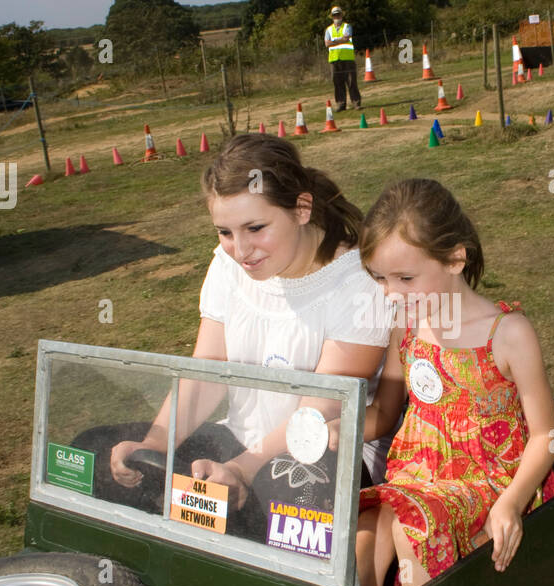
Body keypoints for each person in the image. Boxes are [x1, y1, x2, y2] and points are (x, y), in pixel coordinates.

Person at [100, 135, 390, 534]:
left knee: (289, 500)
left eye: (256, 227)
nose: (240, 250)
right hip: (239, 440)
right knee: (102, 452)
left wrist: (243, 469)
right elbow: (208, 373)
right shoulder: (228, 264)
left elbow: (321, 410)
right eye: (225, 232)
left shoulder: (359, 284)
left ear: (301, 209)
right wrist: (156, 443)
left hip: (325, 453)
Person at [353, 178, 554, 586]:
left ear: (454, 258)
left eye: (405, 278)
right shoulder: (404, 328)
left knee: (415, 528)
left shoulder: (506, 333)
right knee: (365, 530)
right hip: (417, 476)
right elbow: (386, 414)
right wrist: (338, 430)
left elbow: (546, 435)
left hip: (492, 480)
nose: (391, 293)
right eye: (381, 279)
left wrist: (510, 504)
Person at [324, 5, 362, 113]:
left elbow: (346, 38)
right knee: (337, 82)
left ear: (341, 15)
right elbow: (327, 43)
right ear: (332, 17)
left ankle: (356, 103)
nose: (337, 16)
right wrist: (340, 40)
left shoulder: (347, 26)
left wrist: (334, 41)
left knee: (351, 81)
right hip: (334, 60)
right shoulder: (328, 29)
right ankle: (341, 104)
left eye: (338, 14)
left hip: (348, 58)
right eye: (335, 15)